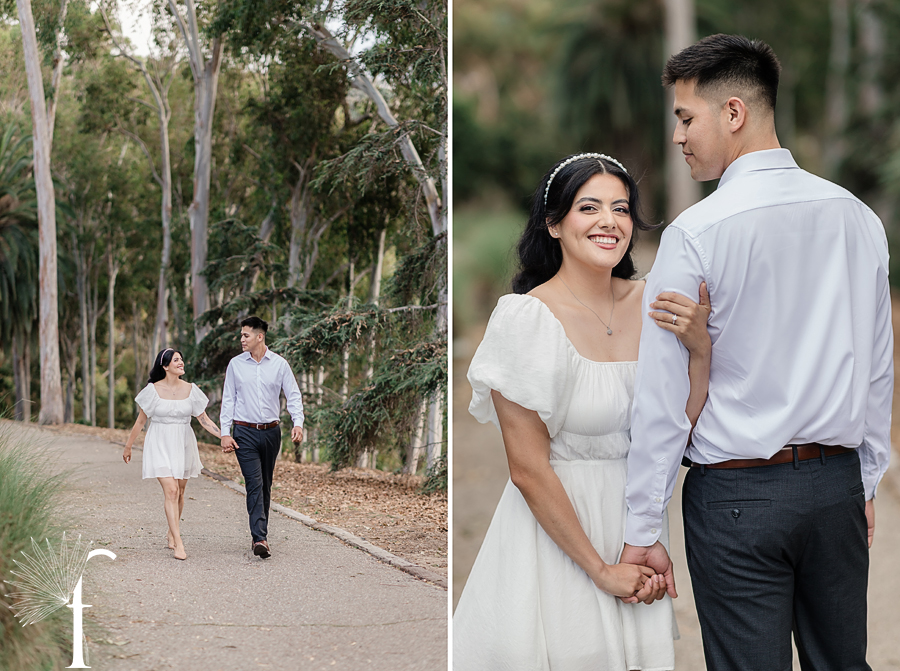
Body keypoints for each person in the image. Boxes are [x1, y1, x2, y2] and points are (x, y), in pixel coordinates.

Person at [622, 34, 892, 671]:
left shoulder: (696, 234)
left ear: (734, 112)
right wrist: (866, 479)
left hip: (737, 497)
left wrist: (642, 528)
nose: (678, 136)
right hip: (836, 489)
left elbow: (663, 394)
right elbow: (879, 368)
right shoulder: (857, 217)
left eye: (687, 117)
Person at [453, 153, 712, 670]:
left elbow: (680, 431)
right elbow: (527, 469)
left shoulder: (656, 304)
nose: (608, 221)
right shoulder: (526, 318)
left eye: (621, 208)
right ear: (554, 223)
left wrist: (700, 348)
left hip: (634, 527)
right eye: (588, 207)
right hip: (557, 537)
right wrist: (598, 568)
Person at [123, 348, 222, 560]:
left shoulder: (191, 390)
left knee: (180, 491)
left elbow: (203, 419)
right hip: (159, 441)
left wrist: (223, 436)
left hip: (183, 442)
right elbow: (141, 421)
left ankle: (171, 530)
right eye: (176, 360)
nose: (181, 362)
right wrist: (128, 446)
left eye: (182, 359)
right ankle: (179, 543)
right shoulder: (152, 390)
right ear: (165, 366)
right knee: (171, 490)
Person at [219, 316, 305, 559]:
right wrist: (225, 432)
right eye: (241, 335)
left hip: (271, 432)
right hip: (243, 432)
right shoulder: (236, 364)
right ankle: (260, 538)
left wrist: (297, 423)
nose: (241, 339)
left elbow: (293, 395)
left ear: (260, 336)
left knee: (265, 484)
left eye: (246, 335)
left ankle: (261, 533)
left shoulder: (279, 364)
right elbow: (229, 400)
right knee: (254, 483)